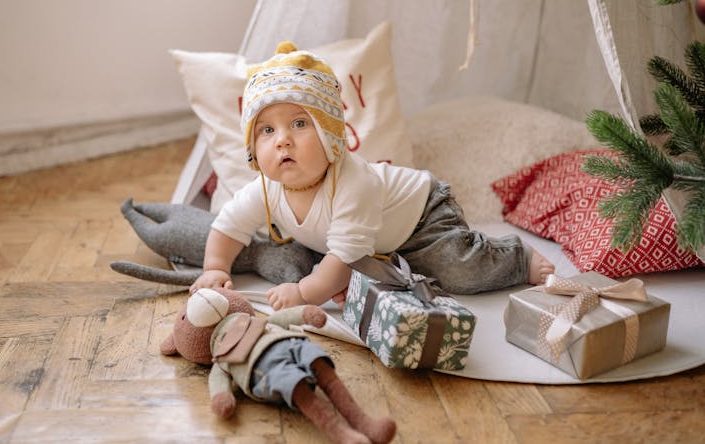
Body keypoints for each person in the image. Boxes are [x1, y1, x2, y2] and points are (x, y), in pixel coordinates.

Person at [190, 42, 555, 310]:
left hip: (420, 215)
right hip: (375, 238)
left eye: (300, 124)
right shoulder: (266, 190)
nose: (282, 139)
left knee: (455, 271)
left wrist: (303, 293)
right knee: (367, 275)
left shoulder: (352, 183)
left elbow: (343, 257)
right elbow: (228, 226)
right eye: (266, 131)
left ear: (332, 138)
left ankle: (516, 257)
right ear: (254, 151)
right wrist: (214, 268)